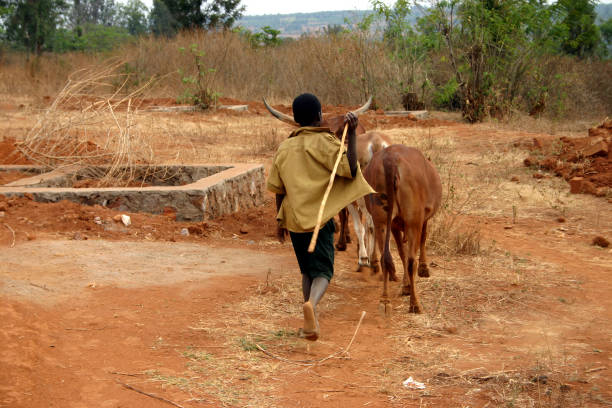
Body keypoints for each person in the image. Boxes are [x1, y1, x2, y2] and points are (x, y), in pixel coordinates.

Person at [266, 93, 374, 341]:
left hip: (293, 221)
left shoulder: (284, 148)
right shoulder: (327, 143)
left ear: (295, 119)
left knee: (307, 271)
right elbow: (351, 170)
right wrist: (353, 134)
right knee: (323, 272)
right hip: (320, 221)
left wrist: (279, 221)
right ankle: (312, 307)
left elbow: (278, 190)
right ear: (318, 116)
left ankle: (309, 323)